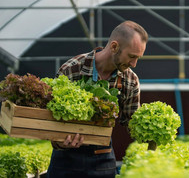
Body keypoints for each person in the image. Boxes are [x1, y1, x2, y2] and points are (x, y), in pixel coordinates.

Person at [47, 20, 148, 178]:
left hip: (102, 159)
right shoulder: (72, 69)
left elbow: (132, 122)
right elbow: (49, 116)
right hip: (65, 160)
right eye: (131, 56)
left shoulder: (130, 80)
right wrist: (59, 142)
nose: (134, 64)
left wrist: (151, 133)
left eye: (138, 58)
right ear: (114, 47)